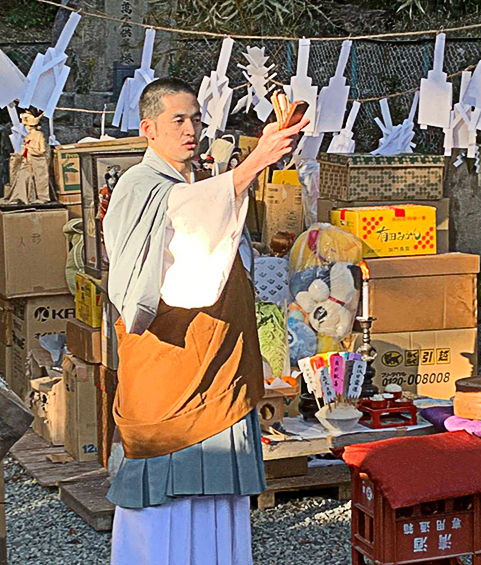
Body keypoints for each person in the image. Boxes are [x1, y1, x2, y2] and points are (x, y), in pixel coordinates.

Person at [103, 77, 308, 565]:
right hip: (171, 363)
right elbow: (188, 216)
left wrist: (252, 167)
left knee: (219, 496)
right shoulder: (140, 185)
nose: (190, 129)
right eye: (178, 119)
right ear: (148, 128)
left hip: (217, 361)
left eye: (196, 119)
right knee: (160, 493)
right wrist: (254, 163)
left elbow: (207, 211)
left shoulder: (194, 184)